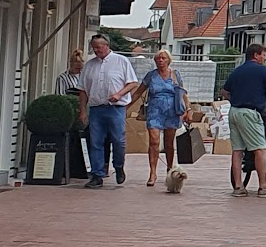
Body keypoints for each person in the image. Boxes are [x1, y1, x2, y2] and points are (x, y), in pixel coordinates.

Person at [221, 43, 266, 197]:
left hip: (234, 112)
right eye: (263, 55)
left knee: (237, 150)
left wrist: (236, 99)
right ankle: (263, 186)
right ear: (256, 55)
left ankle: (238, 187)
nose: (264, 58)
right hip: (250, 113)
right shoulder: (261, 70)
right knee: (260, 149)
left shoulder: (238, 70)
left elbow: (225, 91)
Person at [77, 34, 138, 188]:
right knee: (96, 141)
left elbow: (132, 83)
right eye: (94, 48)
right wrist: (82, 110)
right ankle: (97, 175)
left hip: (116, 108)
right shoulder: (89, 66)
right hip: (96, 108)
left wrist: (119, 94)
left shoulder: (121, 61)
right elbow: (82, 89)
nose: (96, 50)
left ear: (106, 46)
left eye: (98, 47)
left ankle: (118, 166)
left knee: (118, 140)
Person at [138, 50, 187, 188]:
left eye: (163, 58)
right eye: (158, 58)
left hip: (172, 111)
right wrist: (126, 107)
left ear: (168, 60)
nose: (160, 60)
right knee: (154, 141)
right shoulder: (151, 75)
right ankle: (152, 173)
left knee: (169, 143)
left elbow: (182, 93)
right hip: (155, 111)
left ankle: (170, 169)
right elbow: (138, 92)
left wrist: (188, 109)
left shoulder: (175, 74)